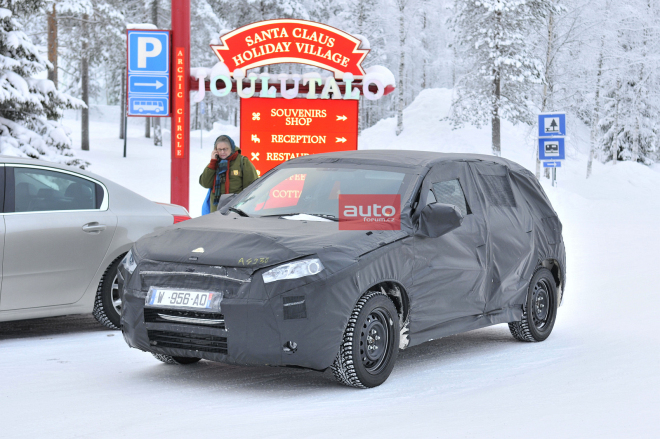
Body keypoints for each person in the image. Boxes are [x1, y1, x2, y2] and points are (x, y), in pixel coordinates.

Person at [200, 135, 258, 214]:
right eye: (219, 149)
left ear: (232, 148)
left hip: (236, 211)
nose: (222, 152)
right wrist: (212, 163)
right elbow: (205, 183)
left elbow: (252, 188)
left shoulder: (243, 162)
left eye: (225, 149)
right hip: (216, 213)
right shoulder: (214, 163)